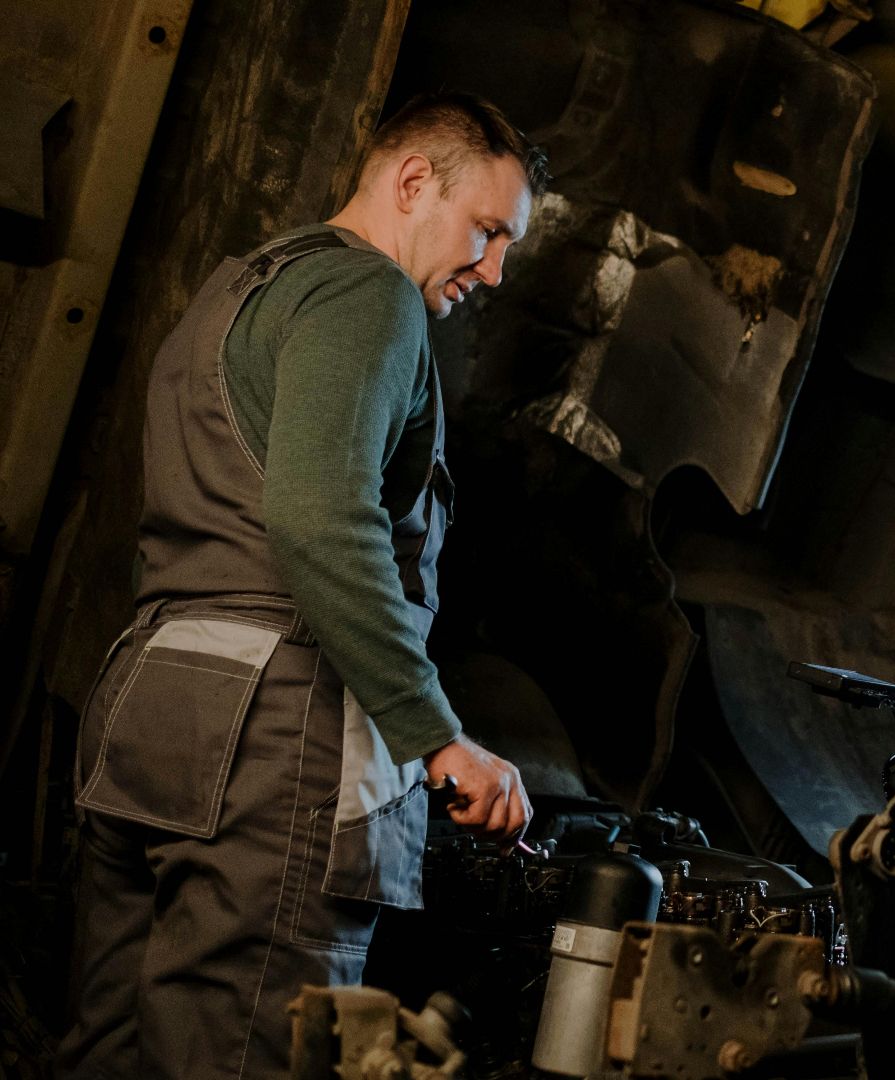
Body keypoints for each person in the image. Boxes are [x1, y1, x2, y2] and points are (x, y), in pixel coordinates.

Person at [58, 92, 544, 1079]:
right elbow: (320, 519)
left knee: (109, 1054)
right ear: (413, 181)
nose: (493, 269)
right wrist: (435, 735)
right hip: (271, 738)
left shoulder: (238, 289)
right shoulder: (370, 296)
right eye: (488, 230)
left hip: (150, 710)